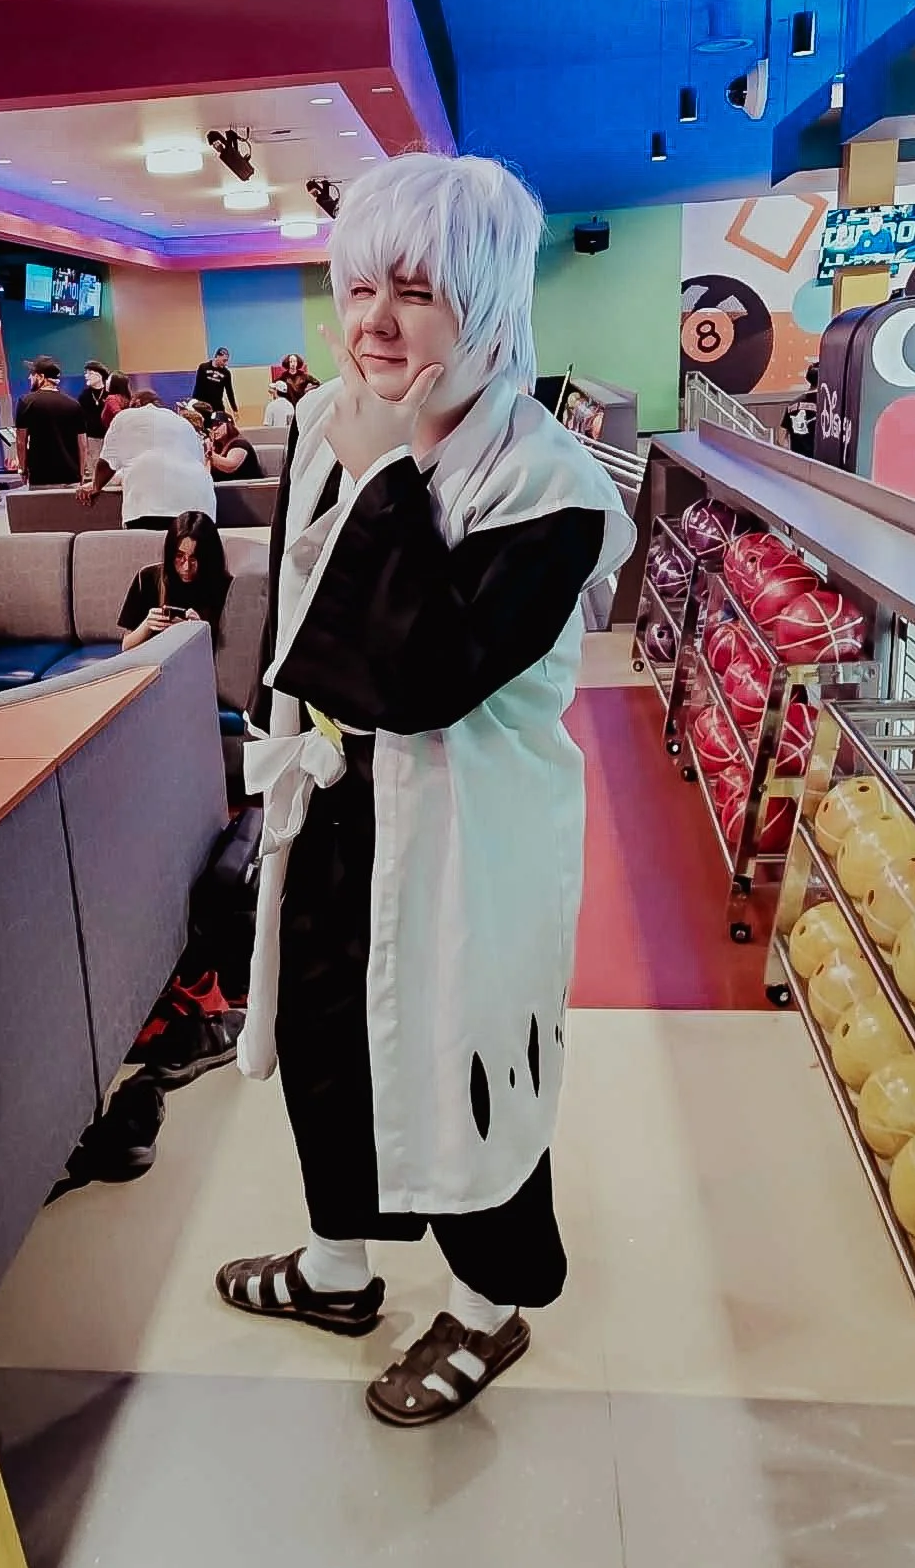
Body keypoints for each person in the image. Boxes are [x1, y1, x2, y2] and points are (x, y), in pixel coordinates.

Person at [215, 151, 634, 1427]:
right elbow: (295, 623)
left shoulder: (546, 480)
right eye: (357, 290)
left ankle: (490, 1307)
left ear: (489, 300)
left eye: (416, 290)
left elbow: (430, 673)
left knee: (464, 1067)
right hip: (340, 809)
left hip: (467, 839)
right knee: (330, 1045)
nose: (376, 323)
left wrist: (389, 471)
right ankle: (342, 1268)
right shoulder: (334, 430)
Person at [82, 390, 216, 529]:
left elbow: (107, 463)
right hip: (201, 503)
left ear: (137, 403)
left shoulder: (126, 416)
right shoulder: (183, 422)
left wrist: (96, 486)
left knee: (148, 549)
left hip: (152, 505)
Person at [118, 510, 231, 652]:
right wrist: (147, 625)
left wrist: (200, 632)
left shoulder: (226, 587)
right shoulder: (147, 578)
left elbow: (231, 653)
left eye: (195, 558)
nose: (186, 567)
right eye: (179, 556)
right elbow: (126, 646)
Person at [15, 357, 87, 485]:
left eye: (32, 375)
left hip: (40, 476)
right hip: (71, 476)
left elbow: (21, 441)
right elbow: (82, 444)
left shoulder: (26, 402)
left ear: (41, 377)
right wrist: (81, 473)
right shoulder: (74, 404)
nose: (29, 379)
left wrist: (23, 469)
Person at [206, 410, 263, 480]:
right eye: (212, 425)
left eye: (218, 424)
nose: (214, 428)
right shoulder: (217, 446)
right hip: (222, 488)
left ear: (229, 425)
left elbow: (230, 466)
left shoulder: (240, 444)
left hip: (245, 488)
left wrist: (209, 453)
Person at [78, 360, 110, 472]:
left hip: (109, 437)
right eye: (86, 373)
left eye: (90, 373)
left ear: (100, 375)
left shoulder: (110, 394)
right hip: (91, 439)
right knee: (93, 469)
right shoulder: (84, 395)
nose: (86, 376)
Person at [781, 361, 818, 458]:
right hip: (819, 461)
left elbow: (781, 437)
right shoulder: (827, 404)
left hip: (797, 459)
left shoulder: (792, 404)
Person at [193, 347, 238, 416]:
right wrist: (194, 402)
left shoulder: (226, 373)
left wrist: (234, 409)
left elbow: (229, 392)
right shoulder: (203, 367)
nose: (225, 363)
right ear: (217, 356)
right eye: (224, 360)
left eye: (226, 361)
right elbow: (198, 386)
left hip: (217, 406)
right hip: (203, 406)